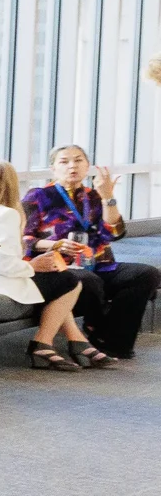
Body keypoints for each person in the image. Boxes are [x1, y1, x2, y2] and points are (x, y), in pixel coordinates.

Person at [24, 145, 158, 362]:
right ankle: (96, 329)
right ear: (52, 168)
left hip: (97, 263)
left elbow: (114, 232)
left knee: (146, 274)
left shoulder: (93, 197)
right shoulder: (37, 196)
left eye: (78, 160)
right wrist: (55, 244)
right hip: (60, 268)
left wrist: (108, 198)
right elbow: (24, 239)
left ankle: (114, 342)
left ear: (87, 166)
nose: (72, 166)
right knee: (88, 280)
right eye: (64, 161)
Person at [0, 158, 94, 371]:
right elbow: (2, 264)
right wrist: (33, 266)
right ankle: (43, 343)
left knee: (60, 282)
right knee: (70, 281)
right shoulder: (4, 214)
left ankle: (71, 341)